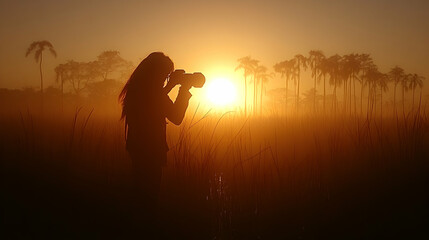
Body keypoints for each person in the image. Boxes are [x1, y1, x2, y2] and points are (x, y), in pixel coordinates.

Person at [118, 52, 195, 234]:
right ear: (154, 72)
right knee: (148, 196)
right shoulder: (147, 92)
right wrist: (179, 87)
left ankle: (137, 228)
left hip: (141, 149)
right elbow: (173, 115)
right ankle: (143, 230)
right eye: (164, 74)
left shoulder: (141, 90)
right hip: (149, 150)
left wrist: (178, 87)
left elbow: (169, 112)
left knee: (142, 194)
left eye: (167, 75)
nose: (165, 78)